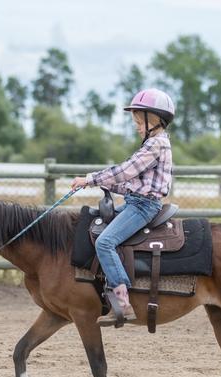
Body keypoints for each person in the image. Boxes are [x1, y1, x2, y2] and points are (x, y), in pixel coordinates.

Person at [71, 88, 174, 326]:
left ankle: (122, 302)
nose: (137, 126)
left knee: (105, 241)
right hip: (136, 201)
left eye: (139, 121)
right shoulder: (154, 143)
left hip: (143, 207)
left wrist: (91, 179)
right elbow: (131, 184)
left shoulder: (155, 145)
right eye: (136, 121)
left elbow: (125, 171)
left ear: (154, 119)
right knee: (93, 225)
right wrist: (100, 186)